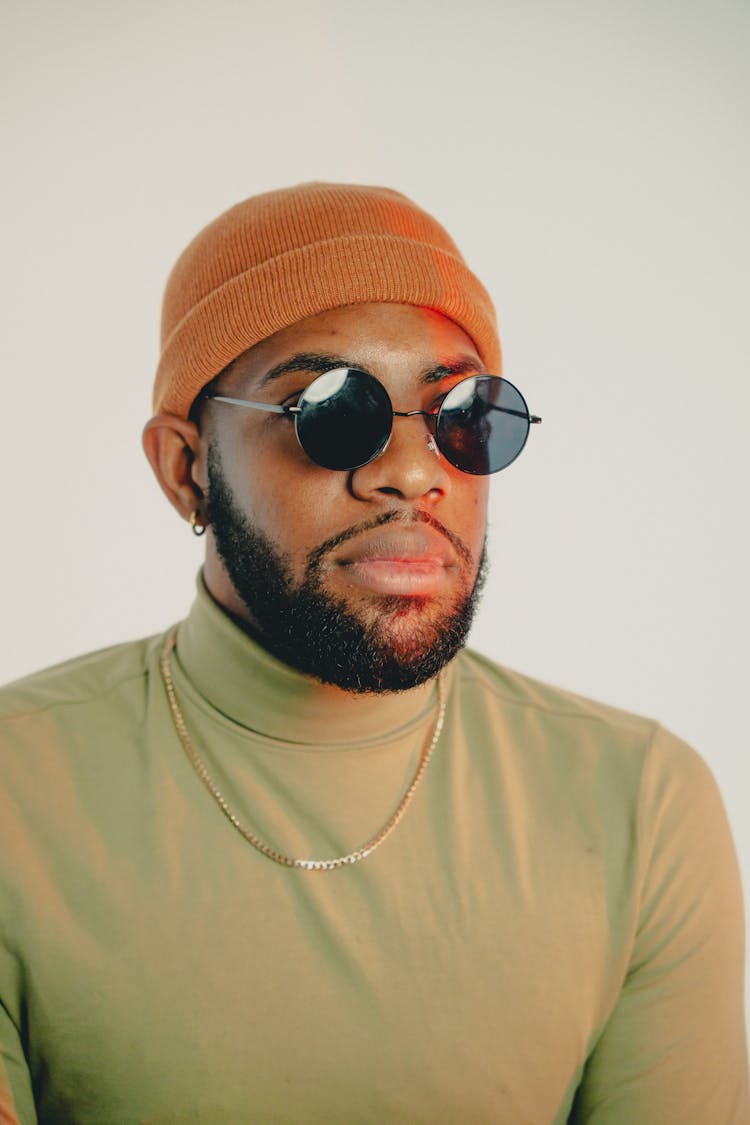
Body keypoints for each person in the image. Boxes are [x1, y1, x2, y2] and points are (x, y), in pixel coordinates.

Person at [0, 182, 747, 1125]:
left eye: (465, 414)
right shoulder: (15, 792)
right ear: (187, 466)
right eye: (331, 410)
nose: (412, 469)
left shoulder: (639, 804)